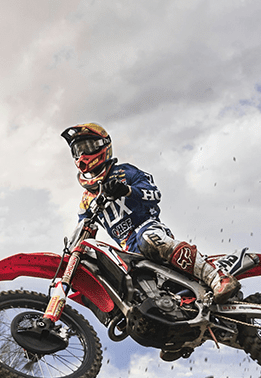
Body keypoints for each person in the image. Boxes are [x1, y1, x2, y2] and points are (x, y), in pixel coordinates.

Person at [61, 123, 240, 361]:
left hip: (148, 229)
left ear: (104, 147)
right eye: (78, 149)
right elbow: (85, 229)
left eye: (89, 146)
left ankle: (218, 278)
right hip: (128, 249)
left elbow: (154, 195)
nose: (83, 154)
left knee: (149, 239)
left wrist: (126, 190)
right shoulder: (86, 200)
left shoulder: (125, 172)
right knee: (125, 287)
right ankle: (171, 333)